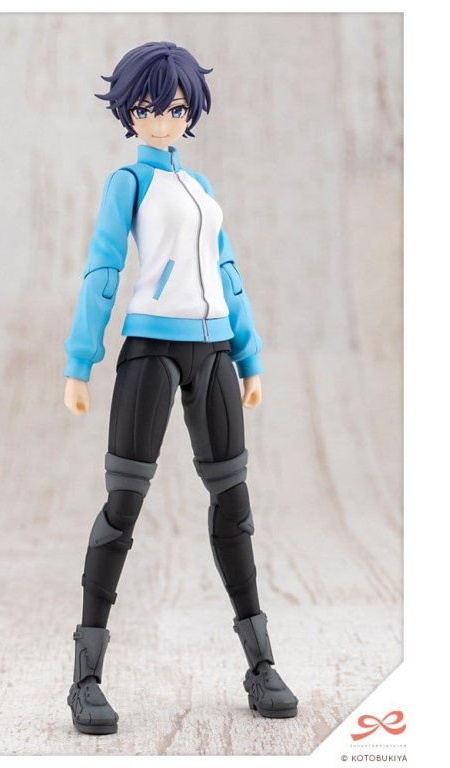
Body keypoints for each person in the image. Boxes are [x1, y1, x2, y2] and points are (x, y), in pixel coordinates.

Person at [63, 41, 298, 735]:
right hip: (150, 352)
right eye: (147, 108)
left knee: (234, 503)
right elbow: (103, 268)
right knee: (123, 506)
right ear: (128, 112)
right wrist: (80, 360)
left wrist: (249, 355)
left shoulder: (200, 188)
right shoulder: (128, 183)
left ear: (190, 110)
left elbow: (227, 272)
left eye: (173, 107)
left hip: (215, 352)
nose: (162, 120)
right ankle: (85, 677)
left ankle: (261, 664)